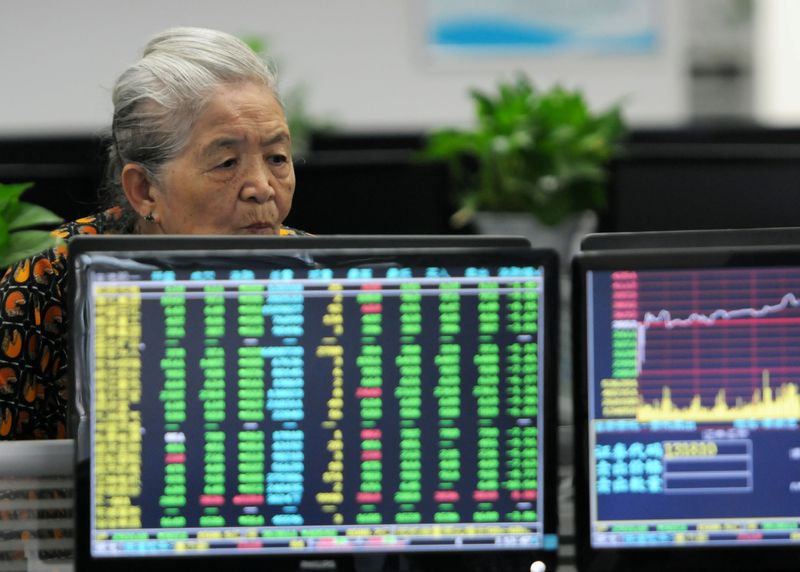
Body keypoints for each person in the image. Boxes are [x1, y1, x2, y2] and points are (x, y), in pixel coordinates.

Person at [0, 27, 307, 440]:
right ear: (144, 190)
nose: (262, 187)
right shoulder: (43, 285)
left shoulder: (316, 275)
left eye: (277, 157)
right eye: (227, 163)